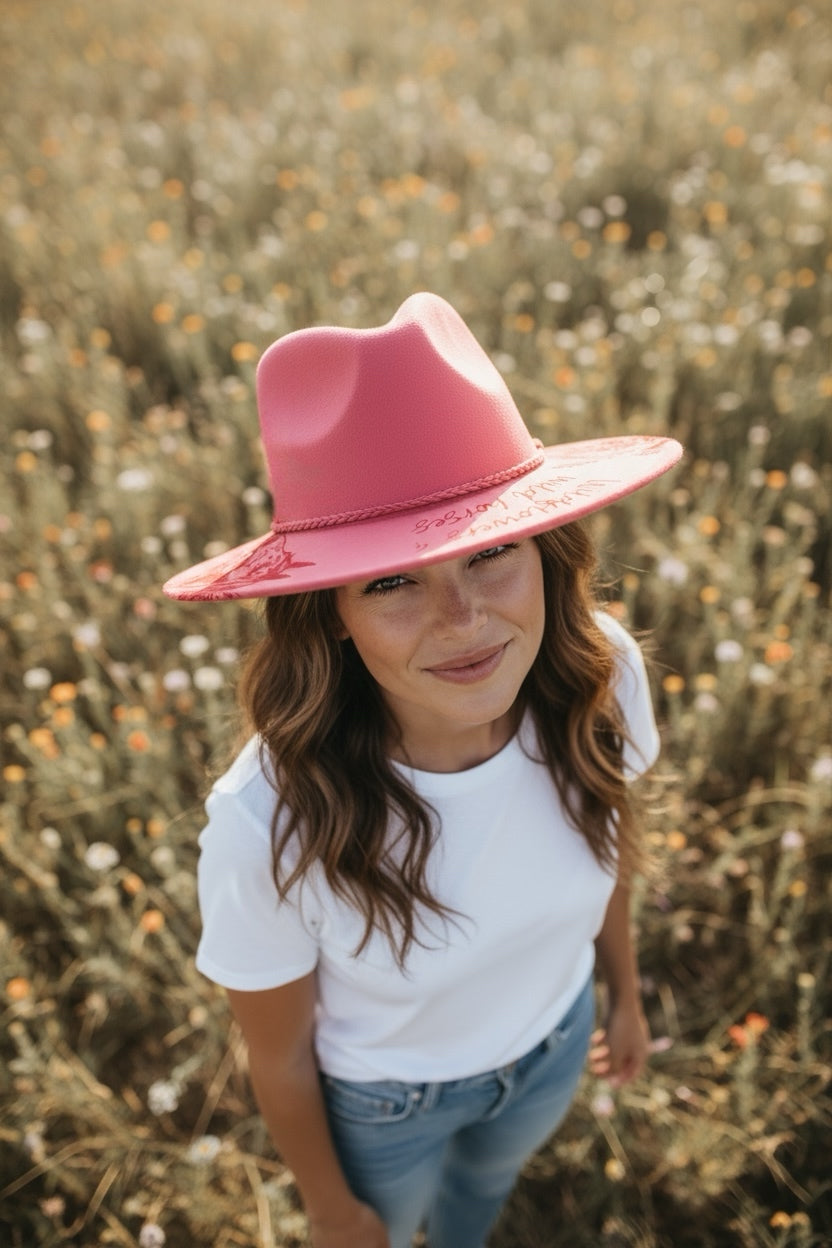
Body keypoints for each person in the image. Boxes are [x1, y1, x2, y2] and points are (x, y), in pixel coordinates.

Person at [163, 292, 682, 1248]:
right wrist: (332, 1210)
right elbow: (278, 1057)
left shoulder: (599, 677)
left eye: (492, 552)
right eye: (394, 581)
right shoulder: (268, 818)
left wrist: (623, 990)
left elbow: (609, 842)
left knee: (482, 1200)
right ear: (332, 615)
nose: (464, 619)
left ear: (547, 553)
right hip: (387, 1108)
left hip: (556, 1042)